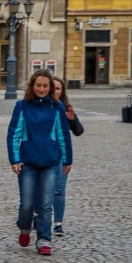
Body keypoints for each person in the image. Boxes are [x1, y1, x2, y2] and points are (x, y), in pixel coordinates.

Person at [7, 70, 73, 257]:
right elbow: (14, 133)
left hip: (50, 162)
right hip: (28, 162)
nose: (42, 89)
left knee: (45, 203)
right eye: (38, 85)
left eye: (45, 86)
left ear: (50, 87)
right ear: (32, 86)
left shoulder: (57, 107)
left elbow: (63, 135)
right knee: (27, 203)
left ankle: (44, 239)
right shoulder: (22, 106)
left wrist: (67, 160)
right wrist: (14, 159)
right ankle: (25, 227)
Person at [50, 77, 84, 237]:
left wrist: (72, 120)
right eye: (53, 88)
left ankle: (58, 223)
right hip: (44, 153)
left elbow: (78, 131)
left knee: (59, 190)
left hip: (61, 155)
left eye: (58, 89)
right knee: (41, 189)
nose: (56, 91)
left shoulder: (66, 108)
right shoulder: (42, 106)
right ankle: (38, 218)